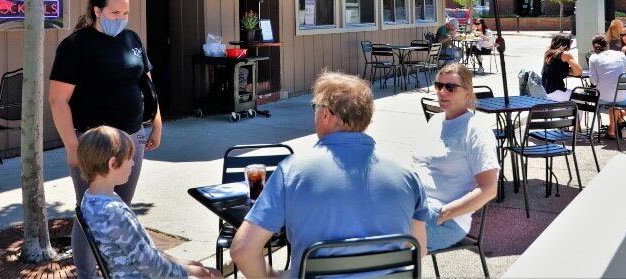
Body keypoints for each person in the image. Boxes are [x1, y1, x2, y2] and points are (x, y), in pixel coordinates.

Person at [230, 71, 428, 277]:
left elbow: (243, 250)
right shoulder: (407, 175)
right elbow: (419, 248)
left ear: (325, 114)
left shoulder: (292, 171)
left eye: (314, 107)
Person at [49, 0, 163, 279]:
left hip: (133, 137)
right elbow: (58, 100)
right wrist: (73, 146)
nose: (121, 18)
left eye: (125, 12)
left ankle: (115, 270)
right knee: (90, 212)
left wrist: (156, 122)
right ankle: (86, 274)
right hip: (93, 143)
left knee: (120, 209)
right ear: (97, 11)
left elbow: (147, 85)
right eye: (115, 12)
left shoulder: (132, 40)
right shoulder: (76, 46)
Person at [77, 126, 218, 278]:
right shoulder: (114, 213)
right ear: (113, 164)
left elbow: (144, 252)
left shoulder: (90, 199)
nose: (132, 163)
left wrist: (178, 261)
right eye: (129, 158)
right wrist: (190, 271)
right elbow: (152, 267)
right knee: (213, 274)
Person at [412, 63, 499, 251]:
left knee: (384, 247)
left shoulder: (476, 130)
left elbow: (489, 189)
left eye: (450, 87)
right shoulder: (435, 121)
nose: (442, 92)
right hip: (415, 207)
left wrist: (442, 214)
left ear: (467, 93)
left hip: (446, 220)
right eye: (438, 86)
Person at [588, 35, 626, 140]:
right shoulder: (620, 54)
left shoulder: (593, 57)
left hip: (605, 98)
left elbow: (593, 80)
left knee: (611, 100)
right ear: (607, 44)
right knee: (616, 101)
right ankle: (620, 122)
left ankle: (612, 129)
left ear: (594, 46)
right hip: (623, 97)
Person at [541, 33, 582, 102]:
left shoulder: (549, 53)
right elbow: (579, 72)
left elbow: (554, 69)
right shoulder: (565, 54)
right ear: (565, 42)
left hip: (545, 91)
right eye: (570, 41)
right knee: (581, 98)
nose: (571, 42)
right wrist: (571, 72)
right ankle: (576, 113)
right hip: (555, 91)